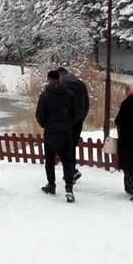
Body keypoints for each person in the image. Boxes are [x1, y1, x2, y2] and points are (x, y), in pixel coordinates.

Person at [35, 70, 82, 202]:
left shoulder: (44, 96)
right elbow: (77, 113)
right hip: (65, 132)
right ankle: (69, 188)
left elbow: (39, 115)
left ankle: (51, 185)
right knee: (67, 161)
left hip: (50, 132)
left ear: (49, 79)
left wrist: (46, 124)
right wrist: (68, 123)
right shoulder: (69, 94)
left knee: (49, 160)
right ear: (60, 79)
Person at [57, 66, 90, 185]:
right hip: (78, 121)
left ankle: (71, 172)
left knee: (64, 147)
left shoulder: (64, 86)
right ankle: (71, 172)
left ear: (62, 75)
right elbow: (87, 103)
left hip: (66, 122)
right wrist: (82, 117)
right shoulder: (82, 85)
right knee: (71, 147)